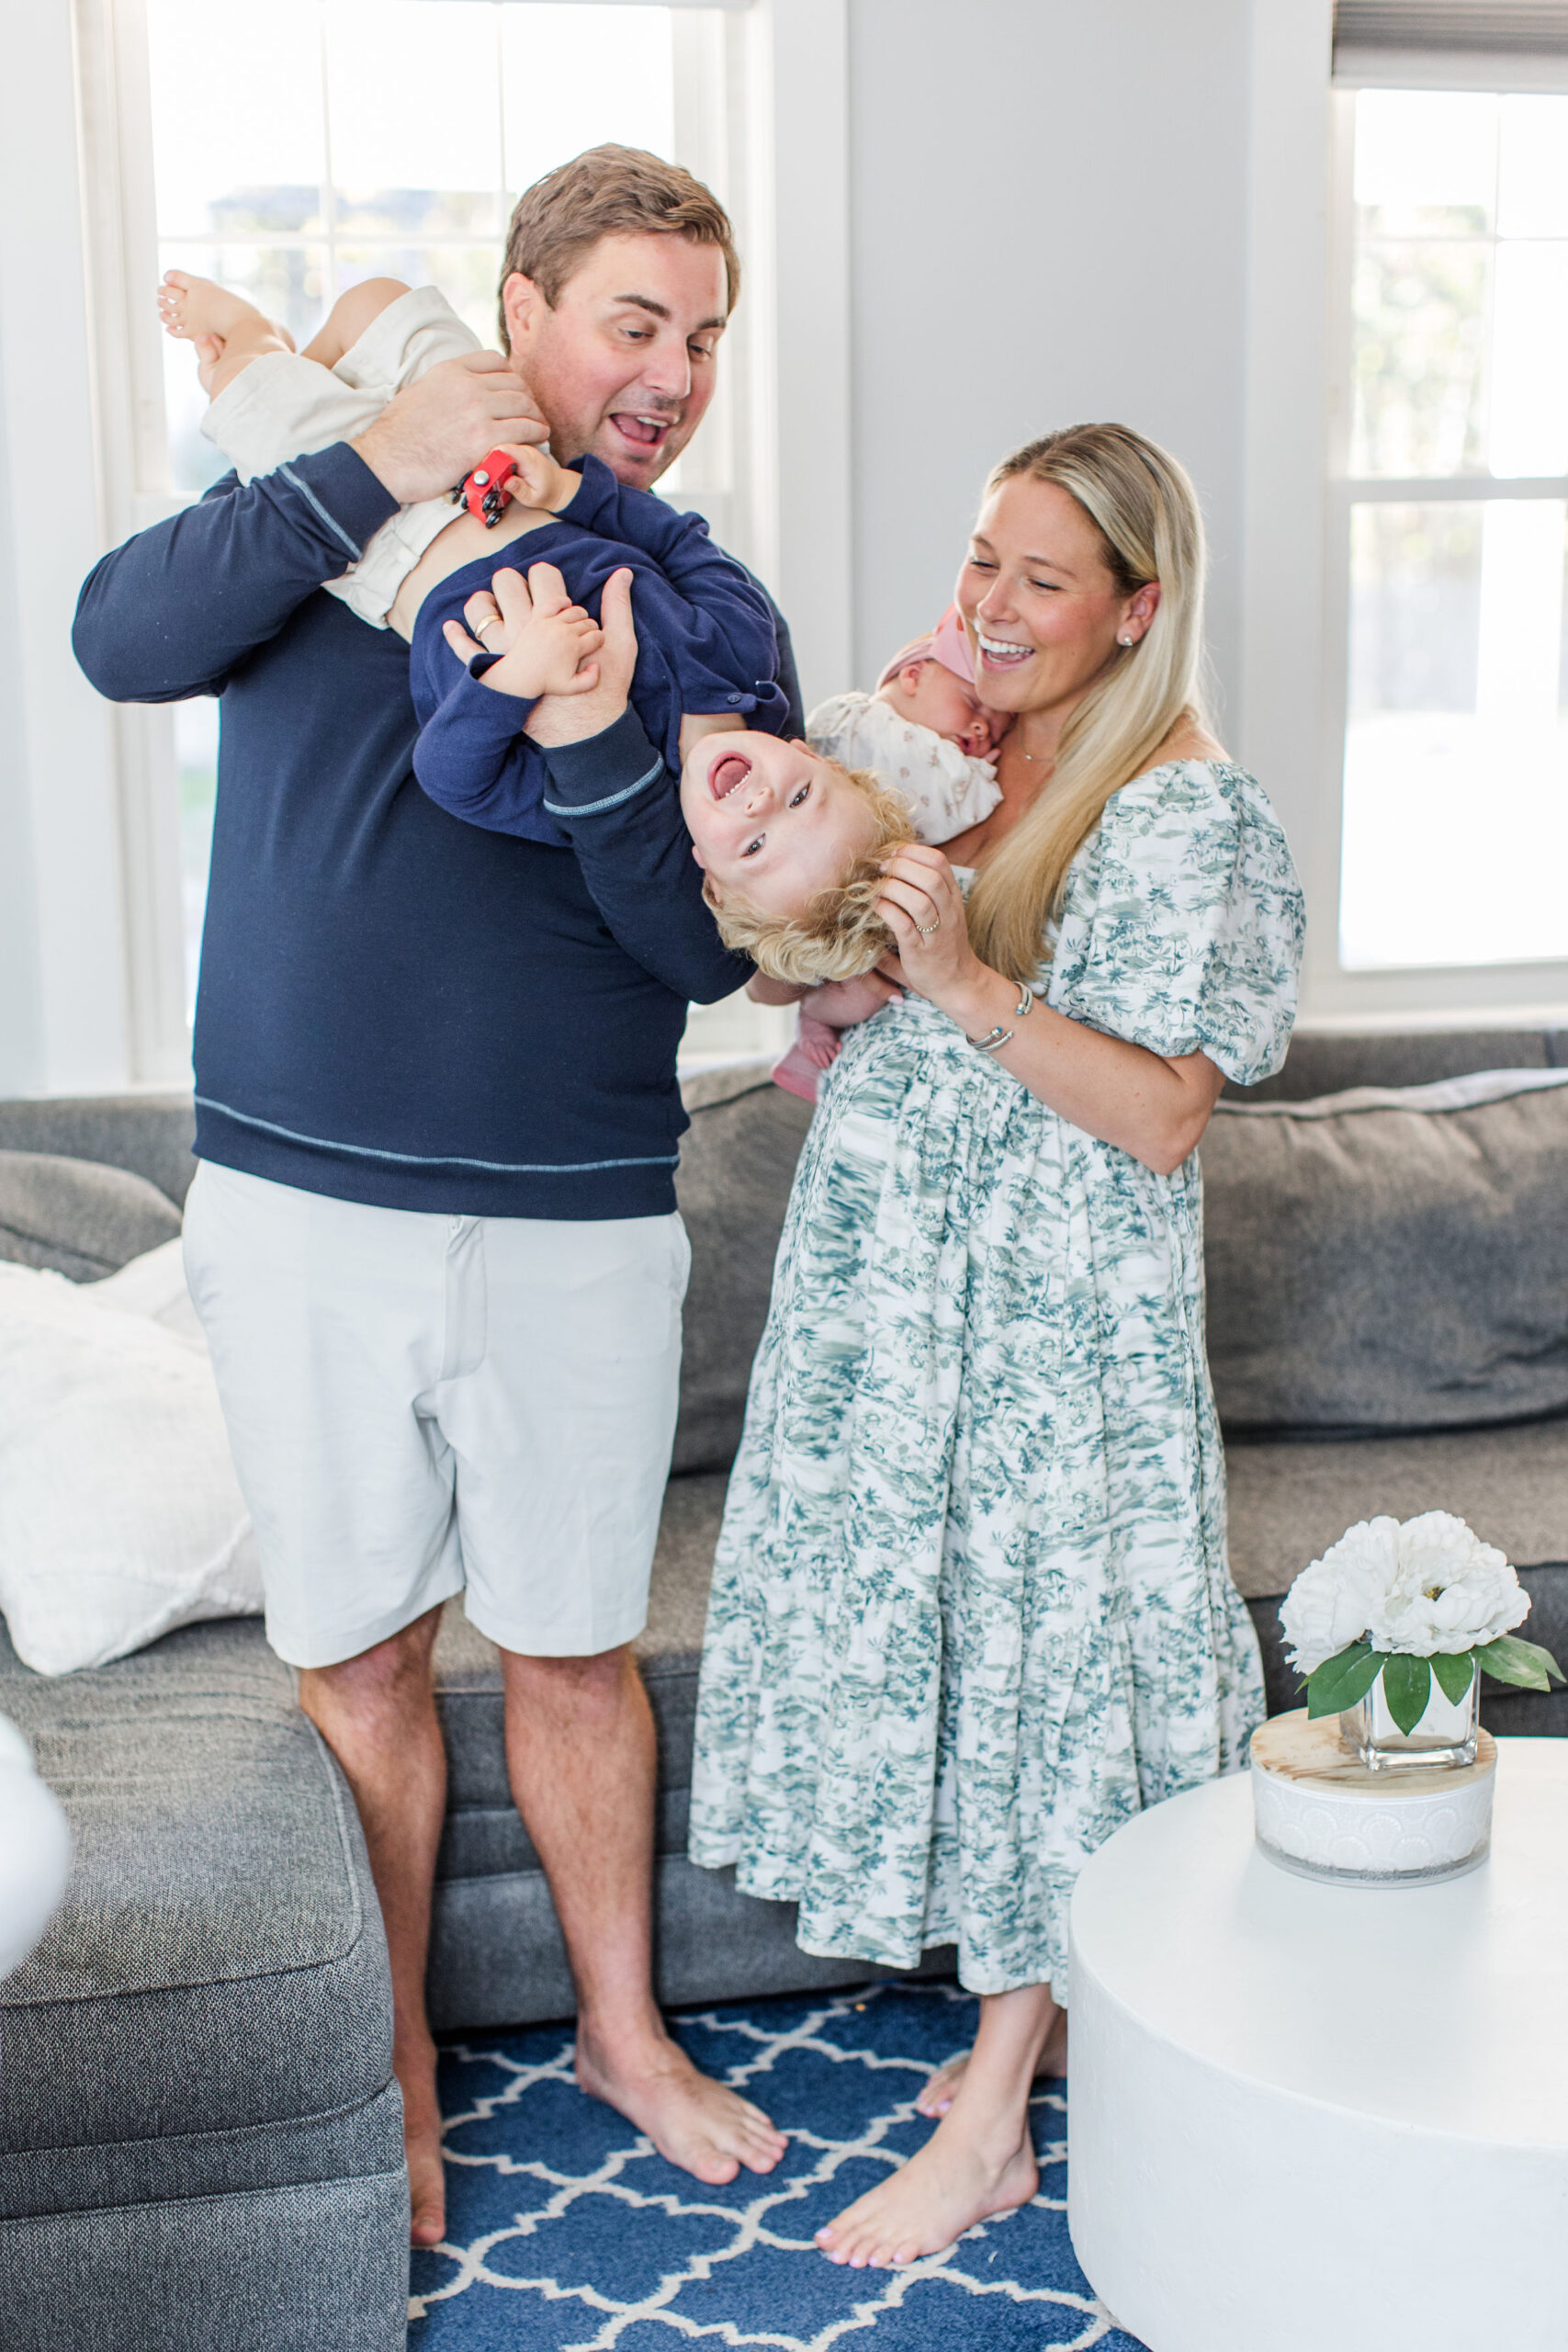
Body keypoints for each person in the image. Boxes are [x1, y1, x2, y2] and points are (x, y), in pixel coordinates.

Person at [73, 144, 795, 2252]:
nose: (670, 371)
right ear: (517, 310)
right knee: (364, 1654)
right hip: (300, 1199)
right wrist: (363, 458)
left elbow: (699, 946)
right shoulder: (325, 504)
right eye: (633, 320)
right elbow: (118, 638)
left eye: (705, 338)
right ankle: (393, 2063)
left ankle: (617, 2029)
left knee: (575, 1646)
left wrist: (592, 714)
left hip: (574, 1203)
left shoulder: (690, 607)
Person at [685, 423, 1307, 2269]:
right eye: (983, 558)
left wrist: (961, 984)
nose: (993, 604)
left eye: (1044, 579)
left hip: (1053, 1331)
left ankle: (984, 2123)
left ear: (1136, 608)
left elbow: (1163, 1114)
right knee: (952, 1663)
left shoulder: (1184, 806)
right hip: (903, 1306)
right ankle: (992, 2079)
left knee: (1055, 1686)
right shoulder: (965, 736)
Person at [156, 271, 790, 832]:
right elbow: (678, 540)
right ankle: (301, 367)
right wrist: (568, 490)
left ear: (711, 871)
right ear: (813, 761)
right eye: (798, 806)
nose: (757, 806)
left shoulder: (595, 791)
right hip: (509, 468)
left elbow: (454, 775)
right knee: (379, 302)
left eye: (755, 851)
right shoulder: (742, 645)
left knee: (241, 385)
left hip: (391, 553)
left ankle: (253, 339)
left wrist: (515, 680)